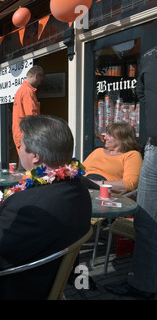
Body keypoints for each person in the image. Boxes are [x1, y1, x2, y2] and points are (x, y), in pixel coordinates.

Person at [0, 115, 92, 300]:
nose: (18, 151)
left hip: (15, 286)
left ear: (35, 156)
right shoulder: (78, 186)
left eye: (21, 147)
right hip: (45, 271)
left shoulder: (28, 206)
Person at [105, 46, 157, 299]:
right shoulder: (149, 56)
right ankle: (143, 285)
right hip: (155, 147)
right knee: (146, 221)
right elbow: (142, 95)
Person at [82, 122, 142, 193]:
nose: (105, 138)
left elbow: (129, 183)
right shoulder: (98, 151)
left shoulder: (131, 155)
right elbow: (80, 171)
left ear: (122, 138)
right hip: (85, 185)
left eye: (109, 135)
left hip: (104, 191)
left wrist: (97, 183)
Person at [12, 65, 44, 155]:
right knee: (30, 166)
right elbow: (32, 117)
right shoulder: (28, 92)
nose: (39, 83)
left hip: (19, 134)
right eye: (40, 80)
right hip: (26, 136)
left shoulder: (20, 91)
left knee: (24, 164)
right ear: (36, 76)